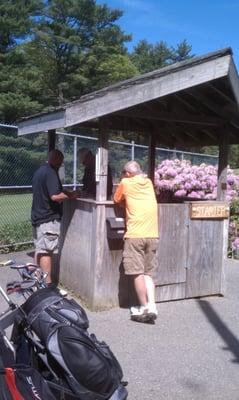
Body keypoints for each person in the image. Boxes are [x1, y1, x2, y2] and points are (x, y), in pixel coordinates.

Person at [113, 160, 159, 323]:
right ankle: (152, 305)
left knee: (137, 272)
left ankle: (143, 306)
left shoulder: (125, 183)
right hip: (152, 234)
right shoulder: (148, 182)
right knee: (148, 273)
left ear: (127, 173)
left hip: (135, 235)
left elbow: (116, 199)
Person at [31, 149, 78, 283]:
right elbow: (55, 196)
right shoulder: (51, 172)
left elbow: (49, 191)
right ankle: (48, 284)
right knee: (46, 252)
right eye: (61, 162)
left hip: (38, 216)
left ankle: (37, 281)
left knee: (39, 249)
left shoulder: (39, 171)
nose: (61, 164)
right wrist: (72, 195)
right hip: (48, 218)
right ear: (56, 159)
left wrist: (65, 192)